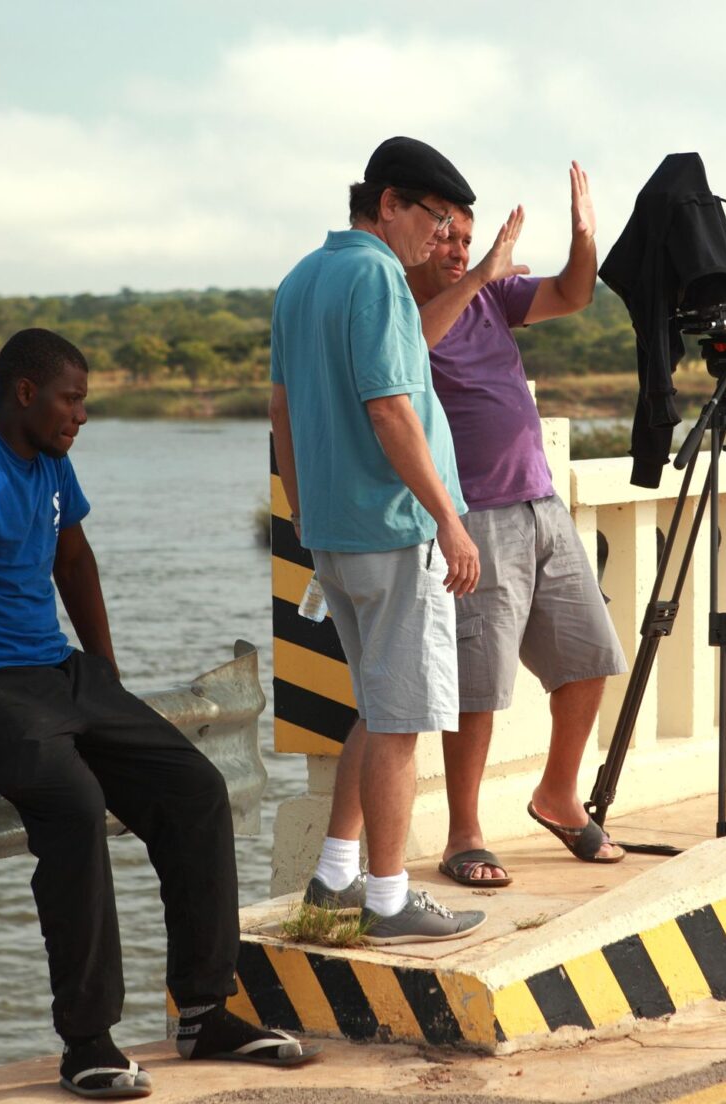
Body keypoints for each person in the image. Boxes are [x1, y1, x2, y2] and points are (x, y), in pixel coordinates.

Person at [0, 328, 316, 1100]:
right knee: (73, 806)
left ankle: (204, 1011)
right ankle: (87, 1044)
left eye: (85, 401)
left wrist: (106, 676)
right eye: (72, 398)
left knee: (194, 791)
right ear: (24, 392)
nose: (82, 415)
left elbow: (74, 559)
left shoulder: (54, 461)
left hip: (63, 675)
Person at [301, 162, 628, 894]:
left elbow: (574, 295)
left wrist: (584, 237)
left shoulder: (492, 299)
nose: (455, 247)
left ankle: (557, 795)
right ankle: (463, 834)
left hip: (539, 502)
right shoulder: (396, 299)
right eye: (447, 234)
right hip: (470, 515)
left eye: (467, 240)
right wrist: (479, 274)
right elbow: (412, 348)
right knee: (473, 689)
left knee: (591, 657)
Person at [269, 136, 488, 942]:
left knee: (376, 704)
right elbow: (392, 410)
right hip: (397, 532)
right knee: (401, 722)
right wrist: (449, 520)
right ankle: (389, 898)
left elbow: (282, 413)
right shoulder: (377, 278)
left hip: (332, 533)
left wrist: (303, 511)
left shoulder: (300, 280)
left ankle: (334, 876)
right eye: (433, 219)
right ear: (388, 203)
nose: (440, 240)